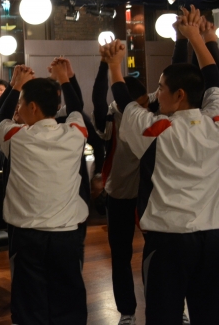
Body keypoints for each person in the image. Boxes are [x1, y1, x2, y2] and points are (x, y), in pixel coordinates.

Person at [102, 5, 219, 325]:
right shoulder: (214, 121)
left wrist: (113, 65)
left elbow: (125, 103)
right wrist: (198, 38)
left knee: (163, 316)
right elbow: (213, 78)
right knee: (209, 314)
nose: (158, 94)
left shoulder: (157, 130)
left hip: (169, 240)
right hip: (212, 237)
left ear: (179, 95)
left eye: (162, 89)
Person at [0, 61, 89, 325]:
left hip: (27, 236)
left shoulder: (16, 137)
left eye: (21, 103)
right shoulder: (75, 134)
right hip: (66, 235)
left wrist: (16, 85)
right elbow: (77, 108)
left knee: (29, 306)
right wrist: (64, 78)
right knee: (69, 303)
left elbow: (0, 118)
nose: (18, 108)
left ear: (32, 107)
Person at [92, 62, 150, 325]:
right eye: (141, 103)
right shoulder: (111, 117)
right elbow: (97, 97)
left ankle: (165, 304)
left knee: (157, 253)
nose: (145, 108)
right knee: (120, 255)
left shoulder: (150, 111)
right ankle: (127, 311)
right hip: (119, 195)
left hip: (148, 194)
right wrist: (105, 64)